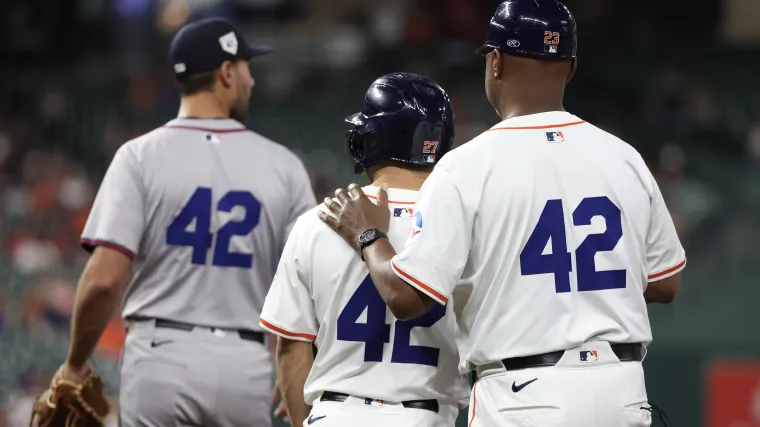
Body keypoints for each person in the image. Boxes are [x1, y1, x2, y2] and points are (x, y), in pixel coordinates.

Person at [317, 1, 686, 426]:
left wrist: (368, 235)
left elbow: (406, 297)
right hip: (621, 390)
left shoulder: (467, 166)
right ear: (571, 67)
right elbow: (665, 283)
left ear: (495, 62)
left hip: (524, 395)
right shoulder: (624, 158)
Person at [52, 17, 316, 427]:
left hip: (159, 357)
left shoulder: (139, 156)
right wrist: (296, 360)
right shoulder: (284, 166)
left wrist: (74, 364)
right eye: (246, 67)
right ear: (226, 72)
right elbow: (308, 281)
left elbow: (103, 281)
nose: (251, 80)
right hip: (244, 364)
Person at [260, 72, 469, 427]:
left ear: (371, 138)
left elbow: (292, 347)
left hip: (335, 414)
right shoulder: (465, 223)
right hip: (425, 416)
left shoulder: (319, 221)